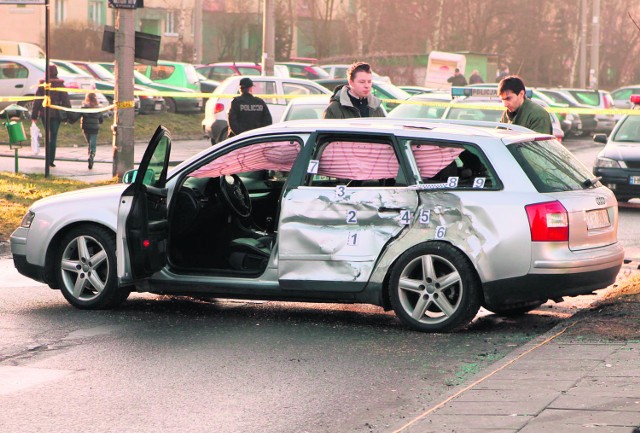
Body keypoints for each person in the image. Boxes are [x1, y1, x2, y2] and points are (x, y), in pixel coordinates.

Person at [31, 64, 71, 167]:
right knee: (53, 136)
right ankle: (51, 160)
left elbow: (37, 101)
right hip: (56, 113)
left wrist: (34, 116)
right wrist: (69, 114)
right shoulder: (60, 85)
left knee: (47, 135)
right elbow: (66, 100)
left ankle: (47, 158)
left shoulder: (42, 85)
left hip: (44, 114)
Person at [78, 92, 103, 169]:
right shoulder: (98, 108)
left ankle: (90, 153)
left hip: (86, 127)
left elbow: (78, 115)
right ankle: (92, 155)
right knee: (93, 143)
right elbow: (101, 119)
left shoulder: (84, 107)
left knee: (89, 142)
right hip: (94, 128)